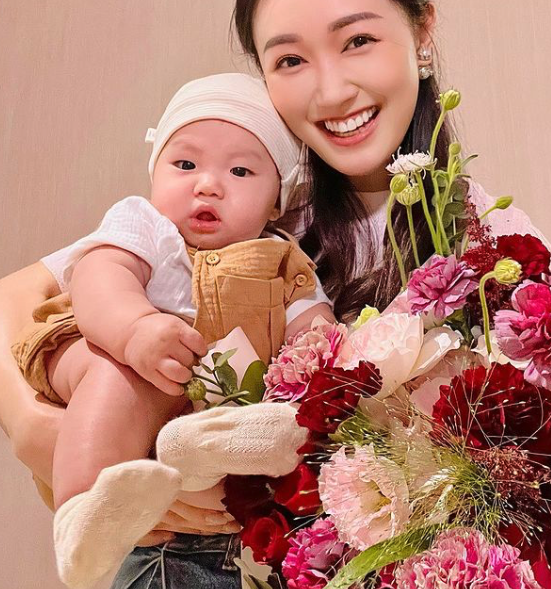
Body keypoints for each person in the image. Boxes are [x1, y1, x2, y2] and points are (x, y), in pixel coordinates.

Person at [0, 0, 551, 589]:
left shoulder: (490, 240)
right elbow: (17, 297)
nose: (331, 90)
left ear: (420, 31)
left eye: (357, 40)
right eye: (290, 60)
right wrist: (39, 431)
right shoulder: (246, 201)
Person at [10, 72, 333, 588]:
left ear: (277, 201)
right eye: (185, 165)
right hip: (103, 352)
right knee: (120, 380)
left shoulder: (281, 259)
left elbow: (315, 332)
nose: (208, 184)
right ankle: (84, 515)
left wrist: (318, 359)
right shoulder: (146, 227)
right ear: (155, 172)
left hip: (199, 400)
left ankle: (197, 449)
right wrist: (135, 329)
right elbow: (100, 278)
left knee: (268, 416)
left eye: (241, 171)